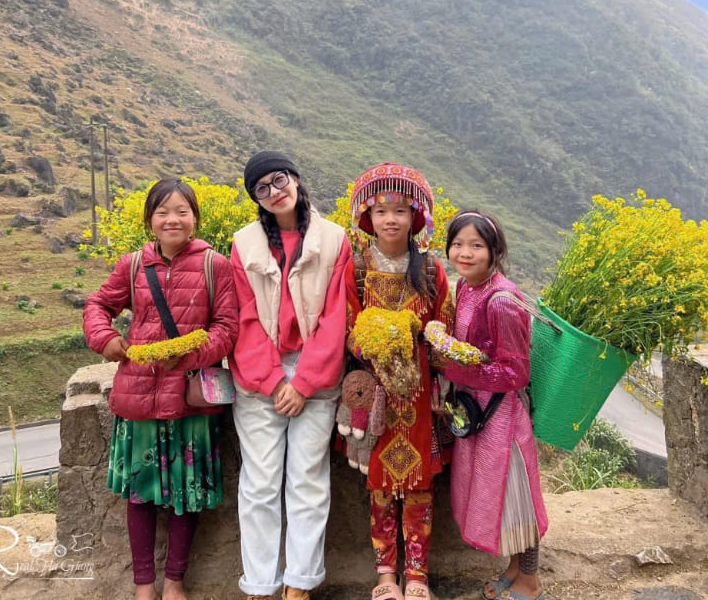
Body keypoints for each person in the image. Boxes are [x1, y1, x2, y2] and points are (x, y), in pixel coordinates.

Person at [83, 178, 239, 600]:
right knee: (140, 495)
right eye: (163, 212)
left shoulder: (215, 265)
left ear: (195, 219)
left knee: (187, 496)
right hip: (139, 398)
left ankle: (175, 583)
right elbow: (98, 305)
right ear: (150, 220)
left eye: (182, 211)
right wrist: (106, 338)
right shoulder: (133, 265)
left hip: (190, 398)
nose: (173, 219)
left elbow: (227, 328)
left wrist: (186, 356)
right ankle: (143, 586)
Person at [229, 151, 352, 600]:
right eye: (262, 188)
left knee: (307, 480)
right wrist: (274, 380)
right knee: (259, 484)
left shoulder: (335, 240)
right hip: (261, 378)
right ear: (257, 200)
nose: (274, 191)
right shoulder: (244, 245)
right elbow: (242, 318)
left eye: (279, 179)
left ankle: (299, 583)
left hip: (315, 378)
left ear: (296, 179)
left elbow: (336, 317)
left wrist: (303, 382)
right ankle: (260, 585)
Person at [345, 163, 454, 600]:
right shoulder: (355, 267)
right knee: (379, 486)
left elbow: (443, 322)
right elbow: (347, 325)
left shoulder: (430, 270)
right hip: (374, 392)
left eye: (401, 210)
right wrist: (373, 339)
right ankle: (386, 574)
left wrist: (425, 337)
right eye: (381, 209)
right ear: (366, 218)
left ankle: (417, 576)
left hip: (419, 393)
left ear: (416, 218)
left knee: (419, 486)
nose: (391, 219)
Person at [441, 210, 548, 600]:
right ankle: (515, 570)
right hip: (477, 411)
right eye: (457, 244)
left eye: (476, 246)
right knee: (499, 497)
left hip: (501, 417)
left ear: (494, 251)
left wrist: (455, 367)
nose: (464, 253)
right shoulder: (465, 288)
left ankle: (531, 582)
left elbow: (515, 372)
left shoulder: (503, 300)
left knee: (517, 498)